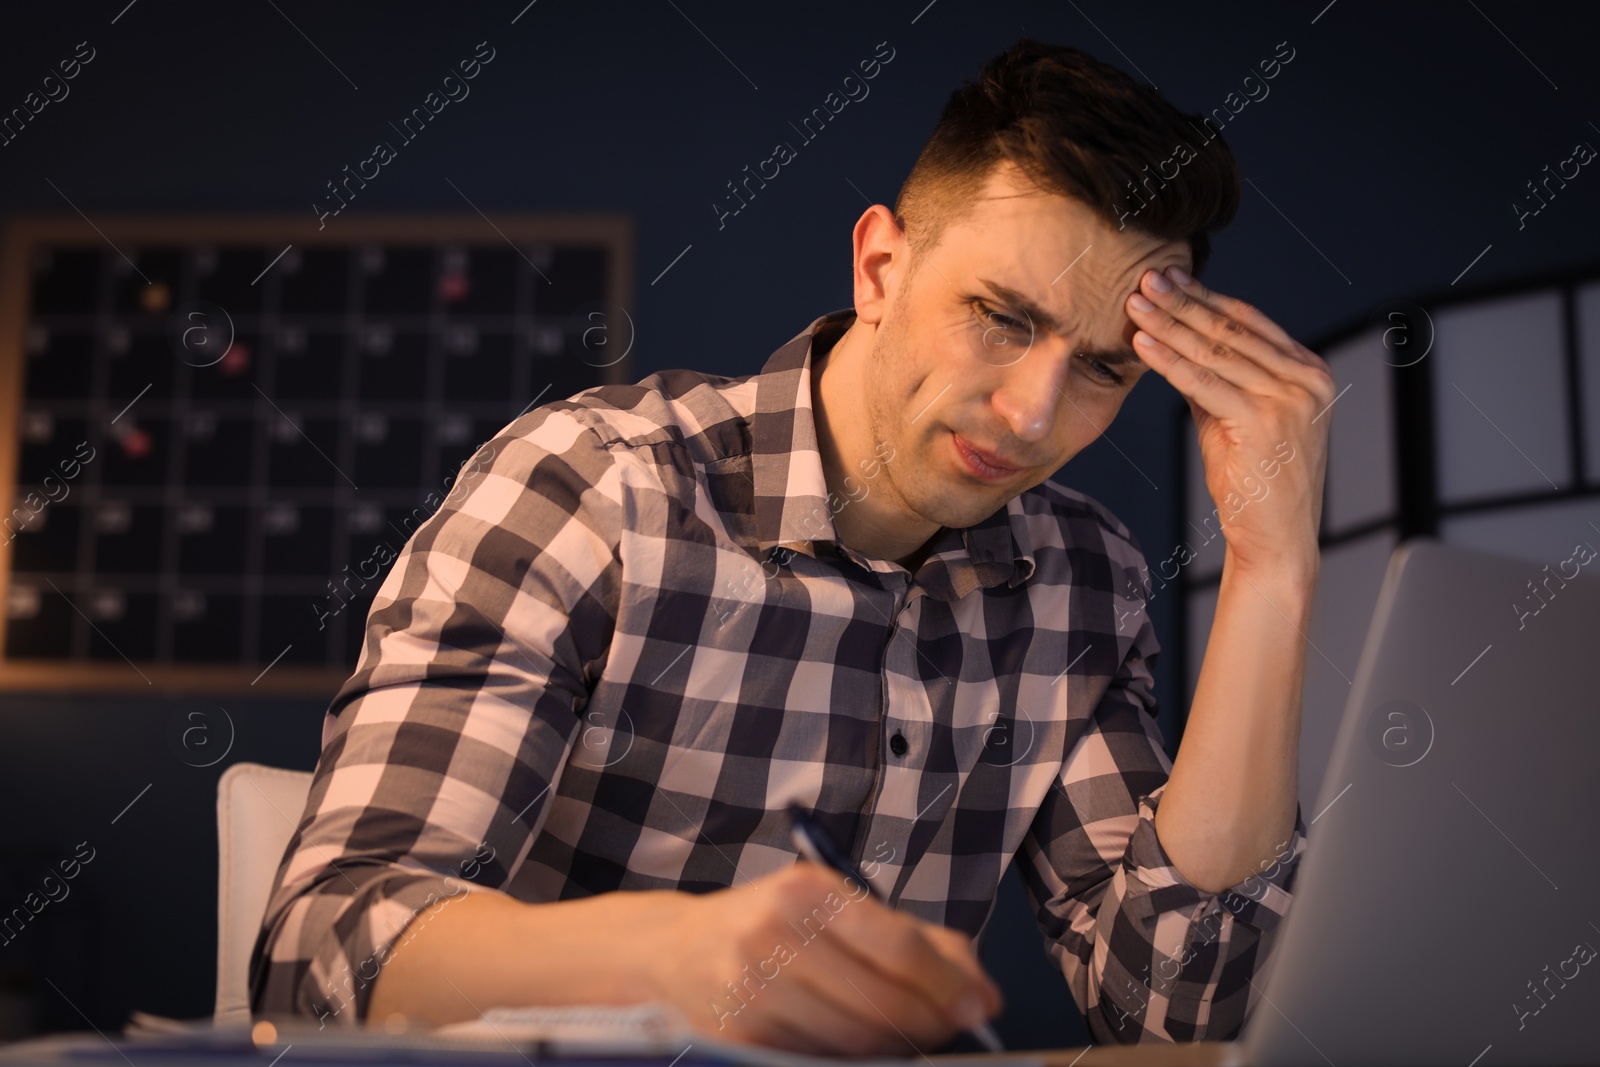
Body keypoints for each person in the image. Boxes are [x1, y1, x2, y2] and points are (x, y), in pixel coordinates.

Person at [250, 37, 1333, 1051]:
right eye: (1001, 317)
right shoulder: (594, 485)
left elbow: (1178, 1012)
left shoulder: (1081, 581)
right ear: (877, 270)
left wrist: (1268, 566)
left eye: (1105, 365)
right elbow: (322, 956)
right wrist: (664, 955)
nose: (1034, 414)